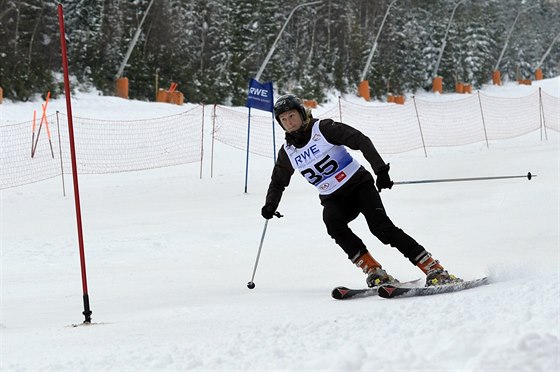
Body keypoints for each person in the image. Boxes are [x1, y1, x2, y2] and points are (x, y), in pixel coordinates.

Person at [261, 94, 462, 288]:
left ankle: (433, 268)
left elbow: (360, 140)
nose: (289, 122)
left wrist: (381, 170)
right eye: (283, 119)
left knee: (381, 228)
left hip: (359, 185)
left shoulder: (323, 129)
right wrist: (271, 204)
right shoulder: (288, 152)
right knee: (333, 223)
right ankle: (374, 271)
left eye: (292, 116)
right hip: (333, 198)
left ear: (302, 114)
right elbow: (278, 181)